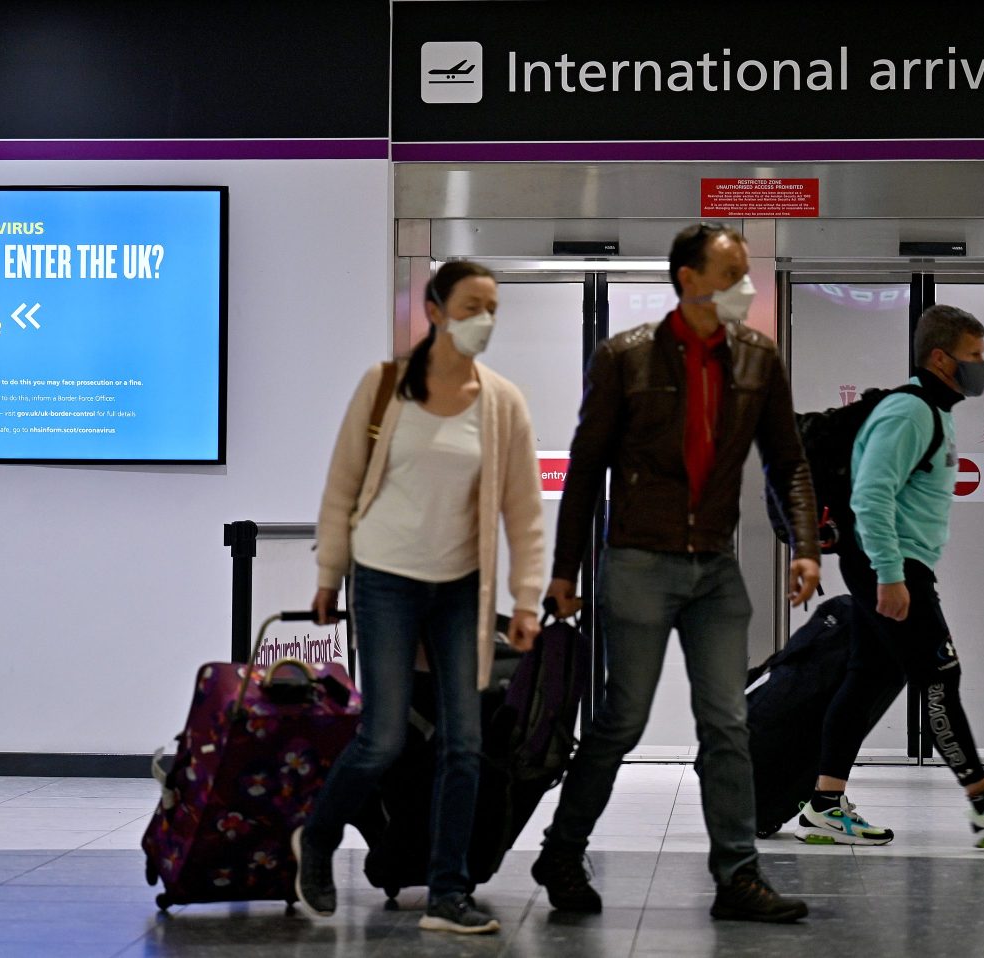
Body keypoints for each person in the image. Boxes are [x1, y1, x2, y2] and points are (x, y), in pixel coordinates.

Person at [535, 223, 821, 923]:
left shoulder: (757, 359)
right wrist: (565, 569)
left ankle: (738, 878)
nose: (745, 287)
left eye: (746, 271)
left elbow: (789, 459)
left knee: (727, 722)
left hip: (715, 571)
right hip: (638, 560)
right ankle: (563, 850)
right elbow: (585, 470)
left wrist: (805, 545)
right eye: (732, 273)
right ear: (688, 279)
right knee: (622, 720)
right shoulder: (626, 358)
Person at [292, 260, 546, 935]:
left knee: (464, 743)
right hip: (383, 577)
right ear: (434, 310)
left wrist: (527, 599)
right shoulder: (383, 389)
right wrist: (329, 572)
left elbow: (523, 507)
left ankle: (446, 893)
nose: (483, 319)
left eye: (492, 306)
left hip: (461, 586)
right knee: (381, 738)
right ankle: (315, 839)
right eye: (470, 305)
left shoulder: (502, 403)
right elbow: (343, 484)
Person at [796, 304, 984, 848]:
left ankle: (824, 803)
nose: (981, 367)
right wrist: (890, 577)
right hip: (891, 567)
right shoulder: (910, 412)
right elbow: (869, 496)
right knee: (940, 677)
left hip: (892, 565)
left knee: (868, 676)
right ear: (940, 358)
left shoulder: (934, 413)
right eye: (974, 356)